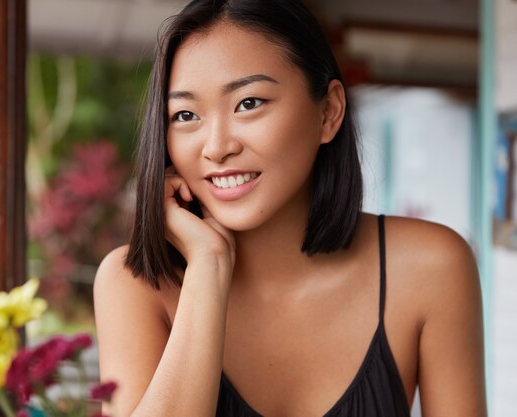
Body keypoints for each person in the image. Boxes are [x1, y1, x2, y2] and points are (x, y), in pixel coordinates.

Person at [93, 0, 487, 416]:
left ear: (329, 112)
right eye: (186, 114)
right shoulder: (135, 284)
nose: (217, 147)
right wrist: (208, 268)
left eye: (248, 103)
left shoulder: (430, 267)